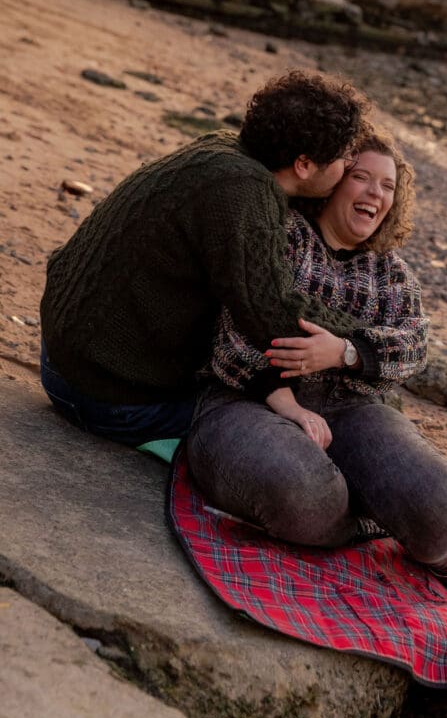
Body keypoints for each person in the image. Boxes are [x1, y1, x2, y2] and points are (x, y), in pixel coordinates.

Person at [187, 128, 447, 626]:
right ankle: (354, 515)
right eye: (362, 178)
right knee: (305, 498)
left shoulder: (389, 274)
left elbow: (414, 344)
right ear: (333, 182)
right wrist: (288, 403)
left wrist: (345, 352)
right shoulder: (281, 236)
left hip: (350, 405)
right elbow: (234, 330)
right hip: (249, 398)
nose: (375, 193)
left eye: (388, 186)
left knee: (441, 512)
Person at [39, 70, 368, 446]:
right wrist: (363, 339)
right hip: (101, 393)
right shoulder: (244, 192)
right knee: (279, 426)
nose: (349, 167)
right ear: (304, 164)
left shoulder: (223, 147)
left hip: (65, 352)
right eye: (344, 158)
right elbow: (274, 316)